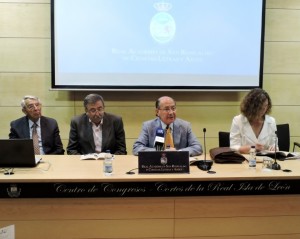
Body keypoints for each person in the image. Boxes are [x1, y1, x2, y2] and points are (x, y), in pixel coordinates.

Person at [133, 96, 202, 156]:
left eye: (173, 108)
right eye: (166, 109)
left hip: (178, 165)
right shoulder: (148, 126)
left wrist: (179, 153)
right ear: (157, 112)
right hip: (156, 165)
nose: (171, 112)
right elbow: (137, 148)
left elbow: (197, 147)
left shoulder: (185, 126)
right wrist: (161, 152)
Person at [230, 88, 277, 154]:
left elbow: (274, 144)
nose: (263, 110)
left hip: (265, 161)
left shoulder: (271, 121)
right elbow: (233, 147)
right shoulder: (238, 120)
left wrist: (274, 148)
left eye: (266, 106)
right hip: (244, 161)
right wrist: (251, 148)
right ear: (251, 106)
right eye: (260, 107)